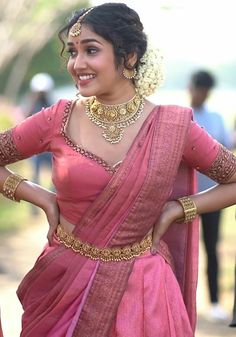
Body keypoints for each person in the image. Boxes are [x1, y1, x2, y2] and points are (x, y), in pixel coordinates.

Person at [0, 3, 236, 336]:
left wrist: (179, 208)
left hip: (144, 294)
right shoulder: (58, 118)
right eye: (72, 52)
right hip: (65, 285)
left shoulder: (173, 126)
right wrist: (39, 195)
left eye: (91, 50)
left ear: (129, 57)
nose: (77, 64)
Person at [188, 70, 232, 321]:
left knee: (211, 247)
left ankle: (214, 300)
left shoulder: (216, 118)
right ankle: (181, 299)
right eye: (198, 88)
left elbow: (226, 147)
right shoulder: (182, 117)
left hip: (213, 196)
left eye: (205, 91)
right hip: (186, 196)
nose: (201, 94)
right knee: (184, 249)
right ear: (191, 87)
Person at [25, 73, 54, 187]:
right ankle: (35, 202)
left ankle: (53, 197)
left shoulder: (50, 104)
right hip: (36, 148)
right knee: (35, 176)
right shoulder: (32, 104)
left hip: (46, 148)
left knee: (54, 174)